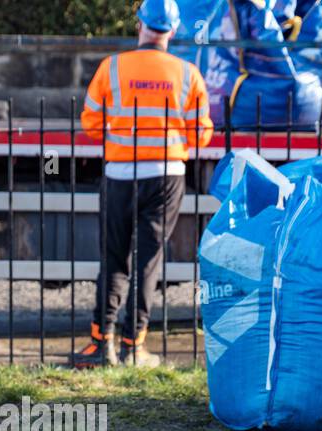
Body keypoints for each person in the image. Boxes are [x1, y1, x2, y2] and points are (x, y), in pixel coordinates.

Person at [73, 0, 214, 368]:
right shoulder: (188, 73)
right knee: (148, 260)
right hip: (166, 175)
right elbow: (201, 135)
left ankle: (100, 344)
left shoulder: (112, 67)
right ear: (173, 30)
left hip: (120, 174)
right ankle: (134, 347)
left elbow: (90, 123)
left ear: (140, 25)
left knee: (114, 257)